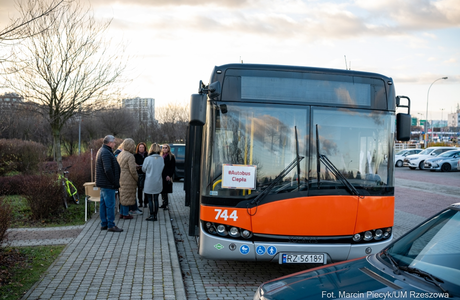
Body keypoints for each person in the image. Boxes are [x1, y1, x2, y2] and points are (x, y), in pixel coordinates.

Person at [95, 135, 123, 232]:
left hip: (104, 183)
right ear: (109, 143)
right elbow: (108, 169)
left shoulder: (102, 150)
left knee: (103, 204)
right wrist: (113, 181)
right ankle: (111, 225)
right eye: (114, 142)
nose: (115, 144)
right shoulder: (105, 152)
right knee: (110, 205)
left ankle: (104, 224)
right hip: (107, 183)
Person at [116, 138, 138, 219]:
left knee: (123, 196)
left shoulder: (120, 154)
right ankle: (125, 214)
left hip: (121, 177)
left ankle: (121, 213)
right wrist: (137, 178)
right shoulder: (130, 156)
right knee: (127, 196)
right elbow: (132, 170)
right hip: (128, 179)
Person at [142, 143, 164, 221]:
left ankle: (151, 215)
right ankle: (155, 215)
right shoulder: (161, 159)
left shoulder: (147, 159)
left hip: (149, 181)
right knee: (156, 199)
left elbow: (143, 169)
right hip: (158, 181)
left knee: (150, 199)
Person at [160, 144, 175, 210]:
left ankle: (166, 204)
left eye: (166, 148)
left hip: (167, 175)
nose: (164, 149)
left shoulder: (171, 157)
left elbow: (173, 167)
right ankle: (163, 203)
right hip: (161, 175)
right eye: (163, 148)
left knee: (166, 190)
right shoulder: (161, 156)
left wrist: (169, 175)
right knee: (162, 190)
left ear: (168, 149)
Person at [134, 142, 148, 208]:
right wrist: (136, 165)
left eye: (143, 147)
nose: (141, 149)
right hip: (139, 173)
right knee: (140, 188)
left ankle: (146, 202)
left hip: (146, 174)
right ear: (138, 148)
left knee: (146, 188)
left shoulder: (147, 155)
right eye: (140, 147)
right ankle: (140, 202)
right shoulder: (135, 155)